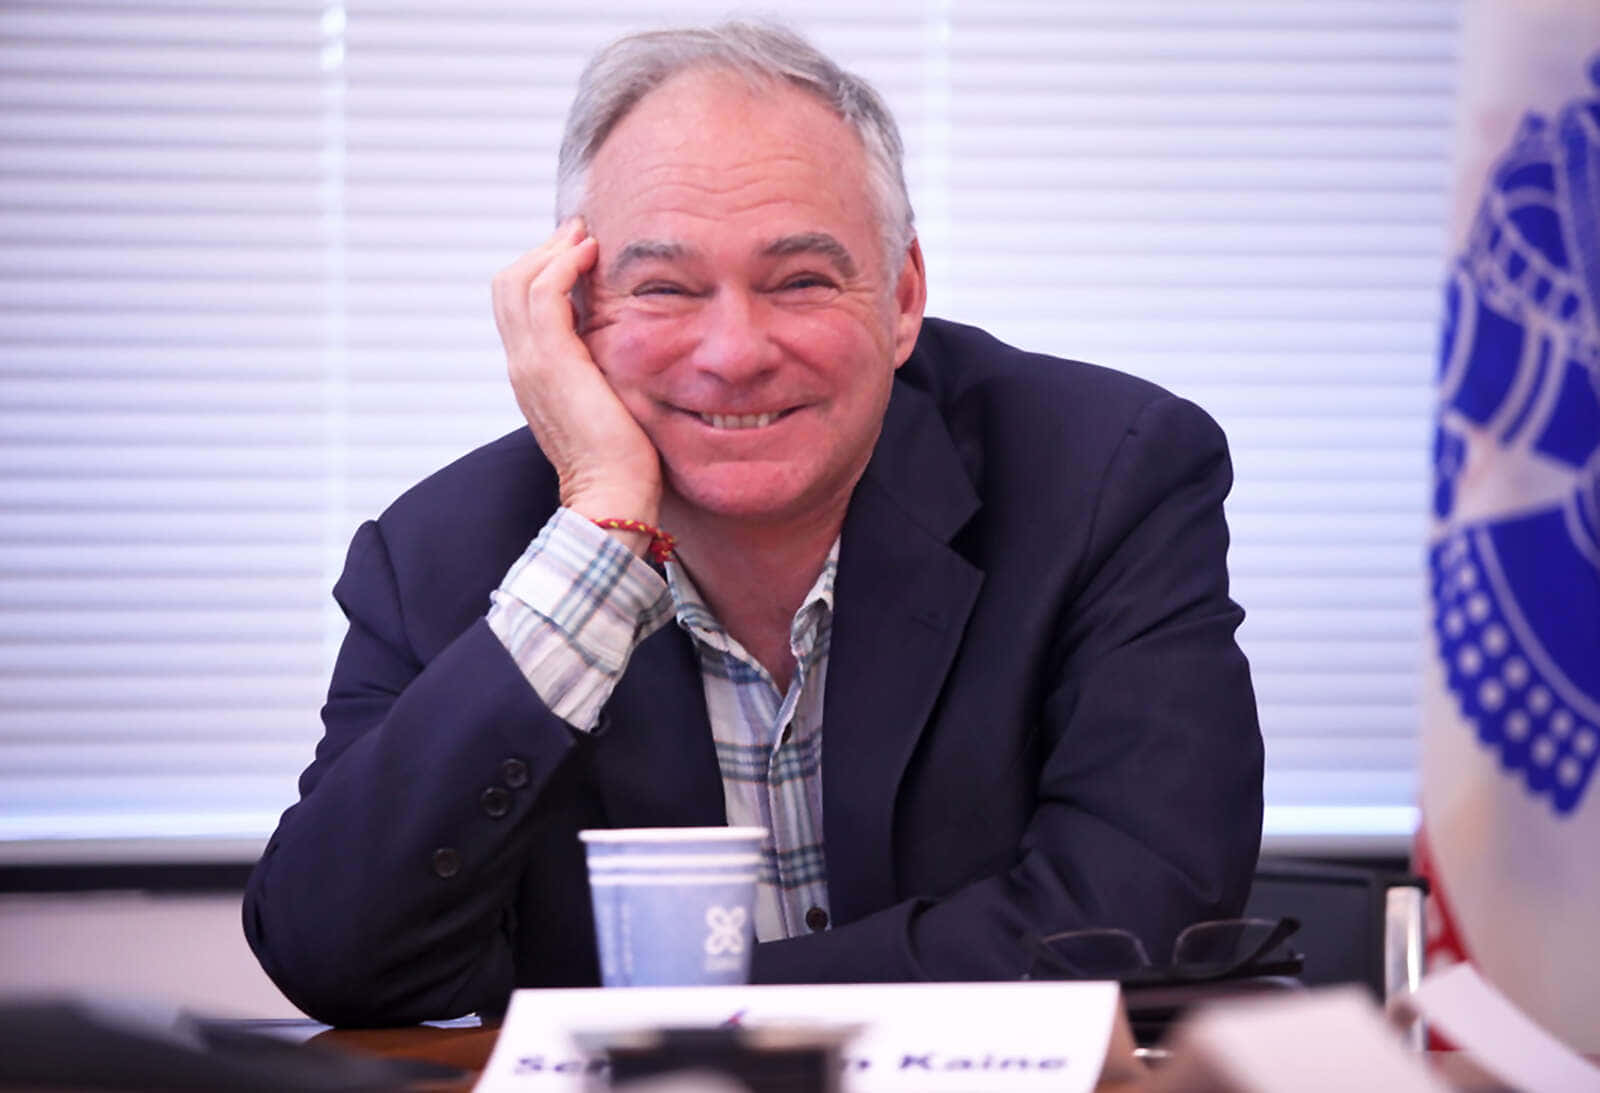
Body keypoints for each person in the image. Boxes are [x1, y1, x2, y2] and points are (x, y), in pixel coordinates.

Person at [244, 21, 1263, 1027]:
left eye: (801, 281)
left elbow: (1146, 920)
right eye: (663, 288)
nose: (733, 351)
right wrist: (597, 538)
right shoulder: (442, 555)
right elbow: (330, 952)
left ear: (901, 297)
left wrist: (685, 1009)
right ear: (572, 317)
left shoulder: (1106, 478)